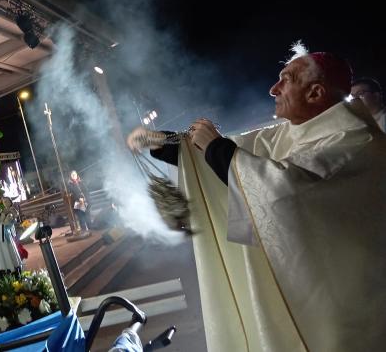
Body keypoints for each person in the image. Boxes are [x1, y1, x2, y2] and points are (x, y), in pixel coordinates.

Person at [127, 45, 386, 352]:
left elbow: (285, 192)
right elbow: (235, 152)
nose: (273, 88)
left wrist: (217, 150)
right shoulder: (292, 132)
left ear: (315, 94)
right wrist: (162, 143)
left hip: (338, 304)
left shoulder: (357, 140)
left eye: (285, 80)